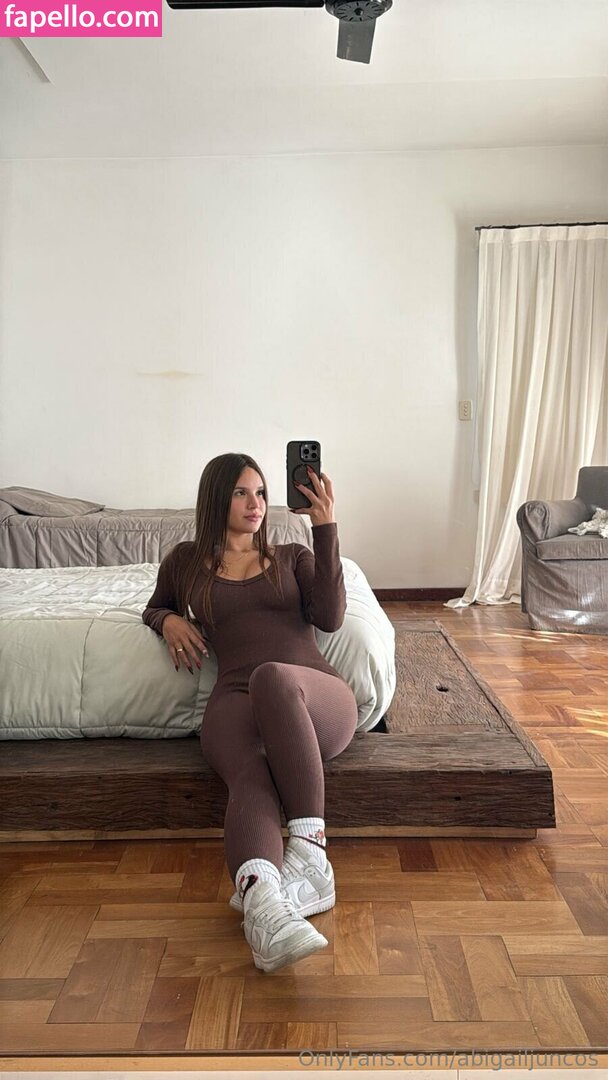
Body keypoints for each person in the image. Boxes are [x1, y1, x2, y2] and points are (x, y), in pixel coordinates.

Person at [141, 452, 358, 972]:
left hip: (312, 698)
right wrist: (168, 620)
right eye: (241, 493)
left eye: (260, 492)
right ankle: (265, 913)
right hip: (234, 703)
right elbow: (154, 605)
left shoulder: (291, 556)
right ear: (216, 498)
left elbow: (330, 617)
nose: (255, 504)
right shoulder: (185, 562)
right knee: (249, 774)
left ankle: (310, 852)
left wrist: (325, 528)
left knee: (272, 676)